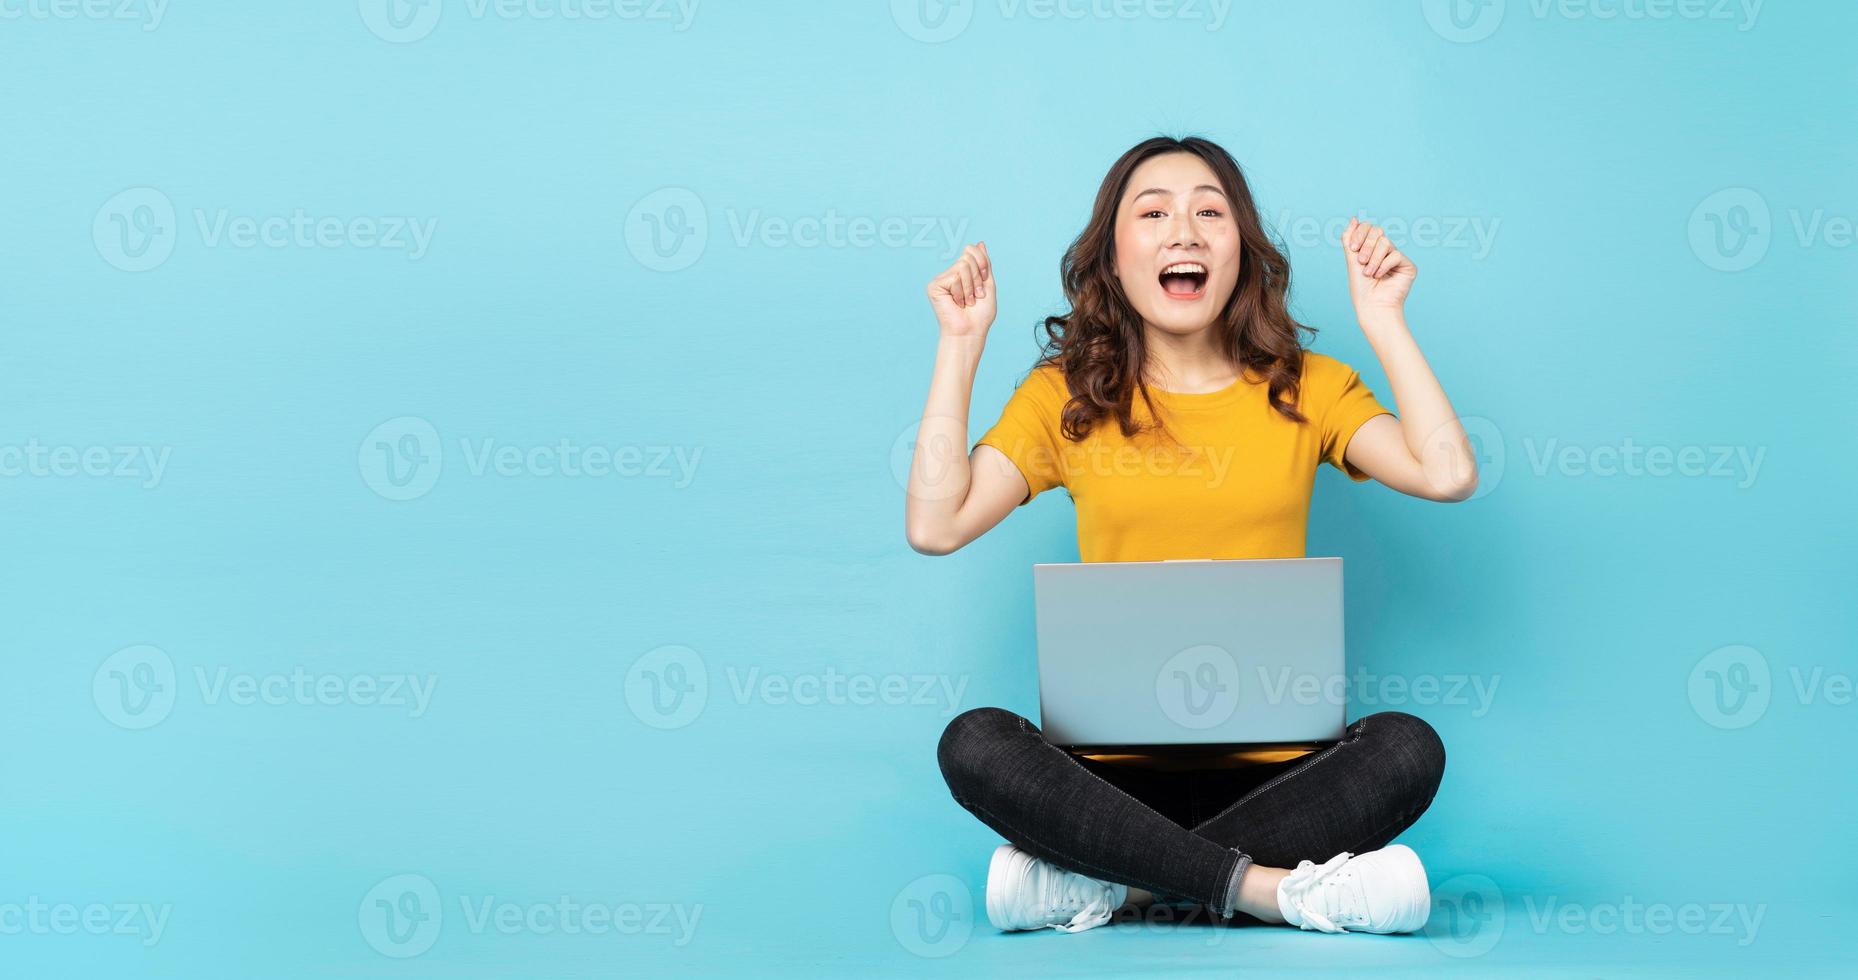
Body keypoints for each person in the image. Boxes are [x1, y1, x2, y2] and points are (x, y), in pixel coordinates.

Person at [902, 135, 1478, 936]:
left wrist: (1384, 321)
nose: (1185, 232)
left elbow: (1446, 472)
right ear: (1112, 256)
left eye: (1211, 211)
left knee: (1408, 747)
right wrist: (959, 347)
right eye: (1154, 213)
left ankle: (1117, 888)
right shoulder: (1064, 398)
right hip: (1109, 780)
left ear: (1242, 249)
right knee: (976, 742)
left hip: (1279, 776)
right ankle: (1276, 892)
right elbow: (936, 525)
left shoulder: (1309, 387)